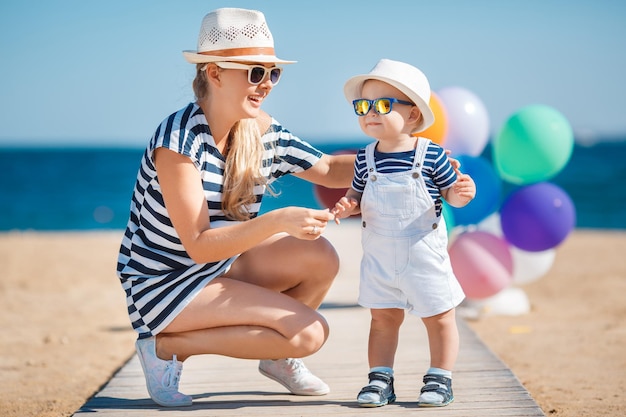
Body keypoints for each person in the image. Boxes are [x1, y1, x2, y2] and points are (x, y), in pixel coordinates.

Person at [116, 8, 356, 407]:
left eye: (272, 73)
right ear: (214, 73)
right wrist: (278, 221)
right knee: (309, 335)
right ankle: (165, 347)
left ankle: (277, 359)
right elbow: (198, 245)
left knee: (319, 257)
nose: (266, 85)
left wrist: (403, 158)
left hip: (218, 269)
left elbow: (330, 169)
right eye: (254, 72)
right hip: (163, 285)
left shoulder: (261, 130)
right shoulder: (177, 141)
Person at [331, 59, 476, 408]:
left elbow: (450, 191)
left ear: (412, 116)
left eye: (383, 105)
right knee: (382, 319)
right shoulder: (364, 159)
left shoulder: (431, 155)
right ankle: (380, 378)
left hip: (424, 256)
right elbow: (357, 194)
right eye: (362, 106)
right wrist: (347, 205)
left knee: (440, 317)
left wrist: (461, 192)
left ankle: (440, 378)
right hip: (381, 258)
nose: (370, 113)